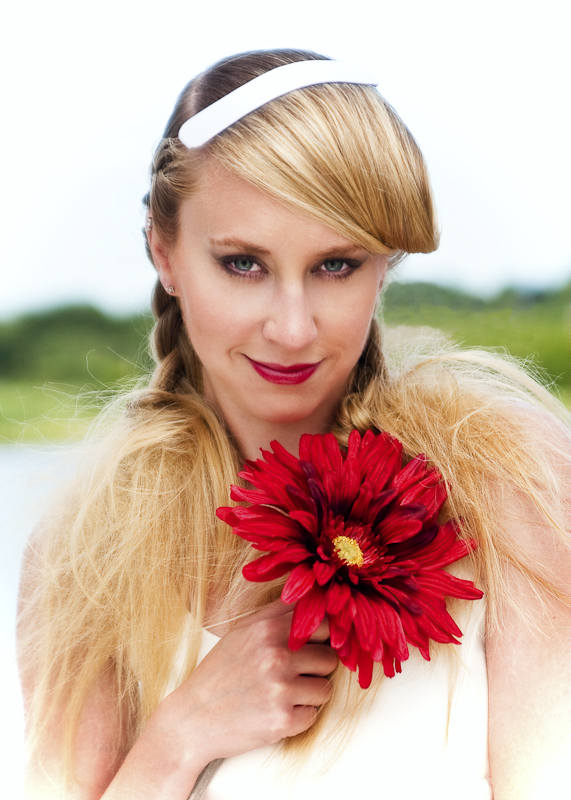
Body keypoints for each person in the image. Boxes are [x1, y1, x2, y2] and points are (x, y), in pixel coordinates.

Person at [17, 49, 570, 800]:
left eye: (334, 265)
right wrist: (178, 737)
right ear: (164, 252)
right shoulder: (92, 550)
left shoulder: (507, 482)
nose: (291, 327)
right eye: (243, 263)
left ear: (384, 265)